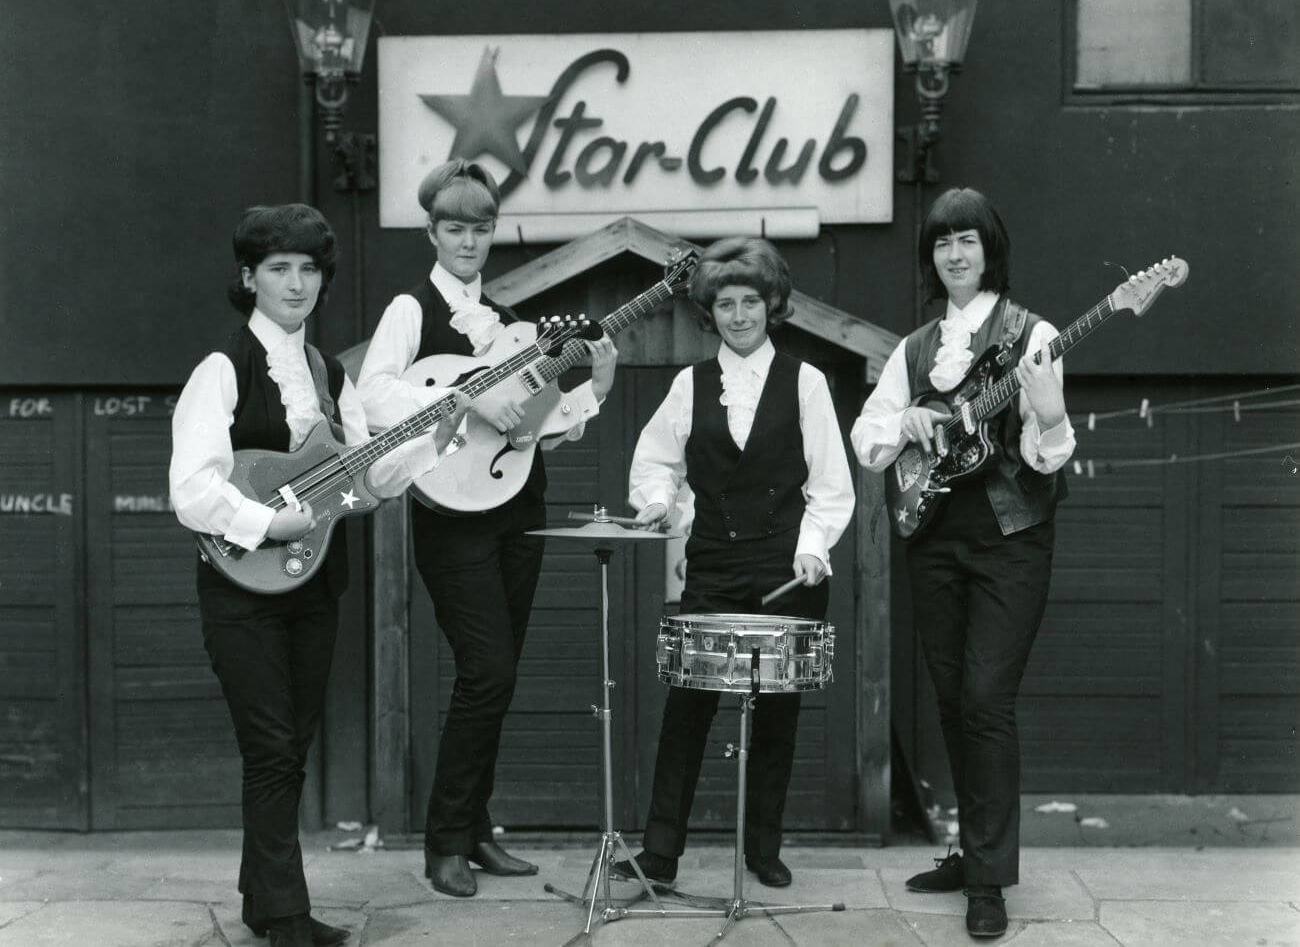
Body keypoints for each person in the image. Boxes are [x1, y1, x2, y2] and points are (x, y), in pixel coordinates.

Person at [170, 204, 462, 947]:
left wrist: (434, 438)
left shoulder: (330, 373)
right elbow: (193, 490)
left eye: (309, 269)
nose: (296, 283)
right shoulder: (222, 370)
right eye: (279, 269)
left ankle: (262, 902)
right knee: (271, 750)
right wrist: (269, 524)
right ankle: (288, 920)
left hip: (314, 586)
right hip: (242, 588)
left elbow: (366, 479)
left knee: (287, 749)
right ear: (249, 279)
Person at [356, 159, 619, 898]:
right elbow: (373, 394)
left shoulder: (509, 324)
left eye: (480, 229)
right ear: (431, 232)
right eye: (454, 228)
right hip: (451, 519)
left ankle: (474, 831)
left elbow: (538, 430)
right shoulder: (411, 310)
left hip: (516, 507)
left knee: (495, 680)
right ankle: (445, 840)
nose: (468, 242)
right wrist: (468, 401)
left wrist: (592, 391)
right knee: (487, 670)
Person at [850, 188, 1076, 939]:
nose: (955, 253)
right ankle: (968, 848)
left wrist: (1047, 413)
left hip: (1011, 536)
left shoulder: (1033, 333)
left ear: (991, 250)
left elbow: (1048, 458)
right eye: (943, 241)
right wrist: (905, 419)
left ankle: (988, 879)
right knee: (953, 698)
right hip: (935, 537)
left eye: (968, 240)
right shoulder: (916, 348)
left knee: (986, 699)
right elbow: (869, 438)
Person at [612, 236, 854, 890]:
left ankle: (763, 849)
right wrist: (659, 502)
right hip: (714, 562)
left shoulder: (808, 382)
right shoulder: (688, 385)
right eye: (726, 303)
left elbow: (831, 484)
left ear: (772, 305)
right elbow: (656, 460)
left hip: (785, 565)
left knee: (777, 714)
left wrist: (812, 548)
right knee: (688, 708)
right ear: (709, 311)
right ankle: (660, 853)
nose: (740, 315)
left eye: (751, 301)